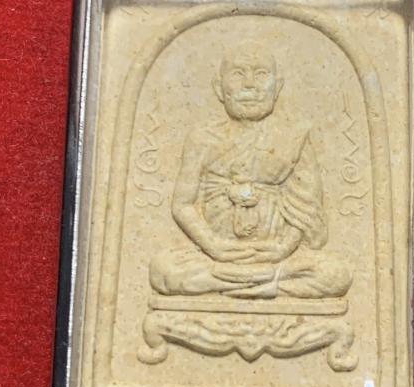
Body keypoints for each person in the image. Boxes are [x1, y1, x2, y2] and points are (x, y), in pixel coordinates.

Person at [150, 40, 351, 300]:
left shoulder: (294, 137)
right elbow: (183, 205)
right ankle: (261, 285)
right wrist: (213, 245)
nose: (249, 85)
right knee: (163, 270)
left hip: (277, 258)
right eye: (238, 74)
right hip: (216, 257)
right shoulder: (203, 138)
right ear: (219, 88)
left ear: (277, 87)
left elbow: (307, 207)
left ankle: (249, 285)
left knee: (335, 274)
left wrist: (283, 248)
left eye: (261, 74)